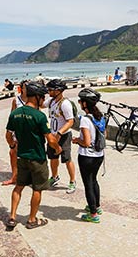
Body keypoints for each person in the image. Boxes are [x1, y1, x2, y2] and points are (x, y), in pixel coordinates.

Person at [5, 81, 62, 229]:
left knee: (18, 187)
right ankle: (31, 220)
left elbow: (8, 135)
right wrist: (57, 149)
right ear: (36, 97)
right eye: (42, 97)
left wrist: (13, 146)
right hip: (37, 158)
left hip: (21, 157)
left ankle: (12, 217)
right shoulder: (40, 116)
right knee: (37, 189)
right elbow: (50, 139)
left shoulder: (15, 114)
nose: (43, 100)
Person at [72, 88, 105, 223]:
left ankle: (92, 215)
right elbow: (105, 135)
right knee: (94, 180)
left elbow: (85, 142)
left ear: (85, 104)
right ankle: (97, 207)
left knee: (88, 184)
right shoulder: (101, 117)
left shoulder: (85, 120)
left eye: (80, 101)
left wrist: (76, 140)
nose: (79, 103)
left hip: (87, 156)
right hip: (99, 155)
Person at [43, 79, 77, 194]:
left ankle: (72, 181)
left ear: (57, 90)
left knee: (67, 159)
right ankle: (54, 177)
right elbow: (41, 105)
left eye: (50, 90)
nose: (48, 91)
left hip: (63, 136)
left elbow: (70, 121)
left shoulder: (65, 104)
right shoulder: (51, 101)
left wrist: (59, 133)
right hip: (52, 135)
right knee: (52, 158)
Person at [2, 80, 28, 186]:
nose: (28, 89)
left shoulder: (34, 98)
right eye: (26, 87)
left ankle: (27, 176)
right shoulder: (16, 100)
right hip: (18, 130)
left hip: (29, 130)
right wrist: (9, 130)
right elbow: (12, 115)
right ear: (21, 88)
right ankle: (14, 176)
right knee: (13, 153)